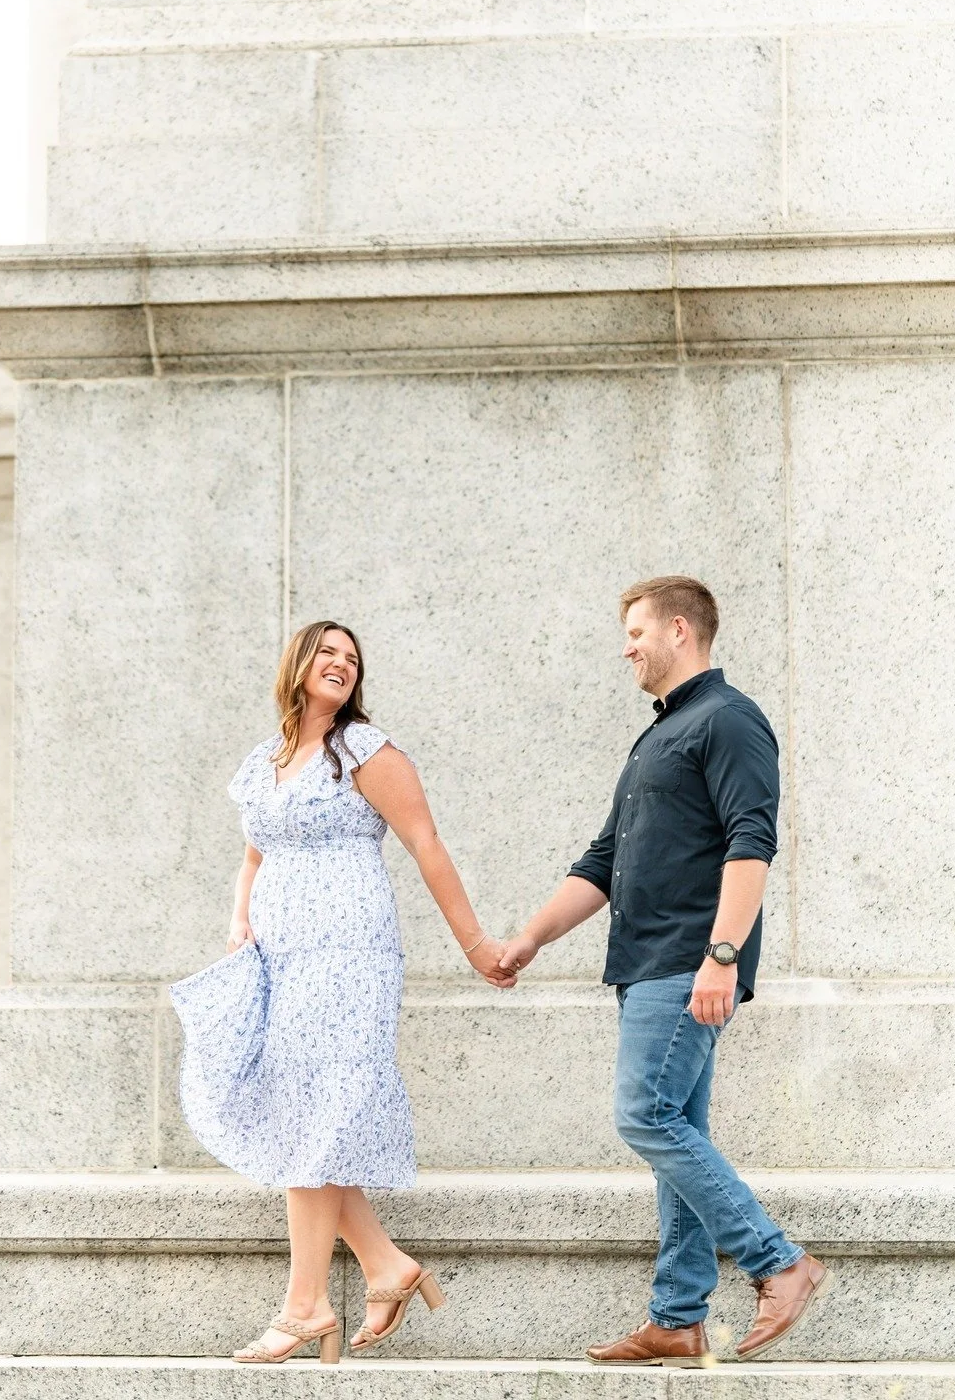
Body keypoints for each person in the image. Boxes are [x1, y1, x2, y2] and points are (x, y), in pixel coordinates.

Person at [494, 576, 830, 1363]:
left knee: (644, 1115)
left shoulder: (729, 718)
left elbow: (752, 840)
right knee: (677, 1129)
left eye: (636, 630)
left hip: (687, 959)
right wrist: (530, 938)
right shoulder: (659, 735)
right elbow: (604, 859)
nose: (626, 646)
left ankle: (779, 1260)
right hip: (645, 963)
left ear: (679, 629)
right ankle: (677, 1315)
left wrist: (721, 955)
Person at [171, 619, 508, 1365]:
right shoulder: (265, 760)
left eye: (351, 658)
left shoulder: (365, 749)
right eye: (327, 652)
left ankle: (305, 1303)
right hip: (279, 957)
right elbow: (254, 852)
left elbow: (426, 844)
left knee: (310, 1112)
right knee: (302, 1113)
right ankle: (385, 1264)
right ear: (296, 664)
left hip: (348, 950)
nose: (341, 664)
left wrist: (476, 943)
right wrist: (238, 921)